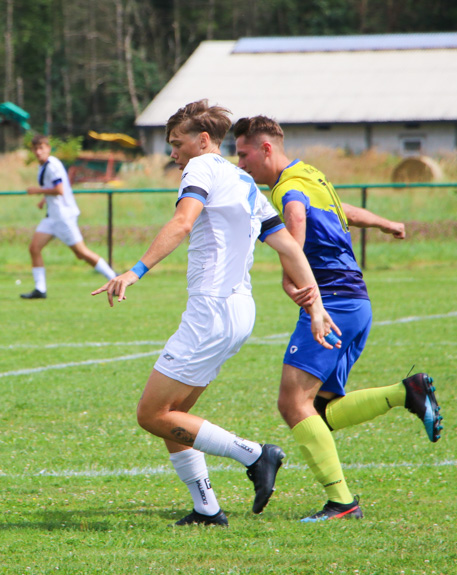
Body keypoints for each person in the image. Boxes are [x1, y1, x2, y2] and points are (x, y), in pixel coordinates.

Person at [92, 100, 340, 527]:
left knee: (151, 415)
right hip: (240, 311)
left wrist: (134, 271)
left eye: (177, 143)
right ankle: (207, 509)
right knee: (175, 417)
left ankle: (256, 455)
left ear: (203, 141)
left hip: (211, 310)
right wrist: (315, 305)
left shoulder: (202, 168)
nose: (173, 153)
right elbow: (289, 248)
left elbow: (183, 222)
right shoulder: (245, 181)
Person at [233, 115, 443, 522]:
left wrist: (291, 276)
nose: (241, 164)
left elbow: (296, 220)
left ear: (266, 149)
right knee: (323, 410)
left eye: (243, 155)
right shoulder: (309, 174)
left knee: (292, 402)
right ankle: (407, 392)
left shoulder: (289, 188)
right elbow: (339, 209)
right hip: (355, 301)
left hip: (329, 300)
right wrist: (384, 222)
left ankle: (342, 503)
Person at [21, 134, 116, 299]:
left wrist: (37, 191)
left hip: (63, 217)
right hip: (52, 218)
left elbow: (59, 190)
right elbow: (55, 187)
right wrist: (44, 200)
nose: (38, 152)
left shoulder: (52, 166)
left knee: (82, 253)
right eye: (35, 149)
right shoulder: (44, 165)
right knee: (34, 248)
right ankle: (40, 290)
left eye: (41, 148)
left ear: (48, 149)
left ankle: (114, 279)